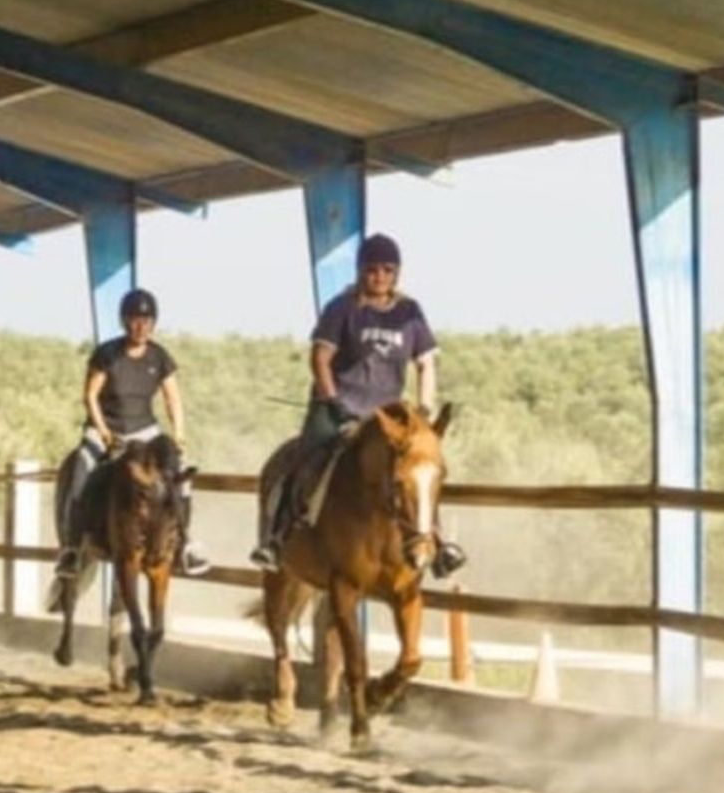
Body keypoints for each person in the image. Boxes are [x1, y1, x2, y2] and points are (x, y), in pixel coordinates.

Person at [249, 232, 466, 577]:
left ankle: (435, 542)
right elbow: (320, 358)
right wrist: (332, 399)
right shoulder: (342, 308)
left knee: (419, 472)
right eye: (372, 269)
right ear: (360, 271)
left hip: (387, 418)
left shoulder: (410, 312)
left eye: (387, 269)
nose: (379, 276)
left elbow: (426, 362)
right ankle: (274, 539)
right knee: (305, 460)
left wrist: (424, 410)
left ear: (396, 274)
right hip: (339, 406)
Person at [76, 287, 210, 576]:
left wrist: (179, 433)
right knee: (81, 469)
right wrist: (104, 433)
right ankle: (72, 547)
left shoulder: (159, 357)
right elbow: (90, 396)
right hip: (106, 428)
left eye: (147, 321)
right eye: (136, 320)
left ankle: (186, 541)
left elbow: (172, 398)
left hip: (145, 431)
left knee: (180, 474)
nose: (141, 327)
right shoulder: (107, 354)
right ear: (125, 322)